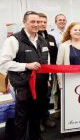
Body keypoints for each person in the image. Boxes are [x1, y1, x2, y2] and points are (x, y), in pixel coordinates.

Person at [0, 11, 49, 140]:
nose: (36, 24)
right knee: (21, 119)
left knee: (36, 117)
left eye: (38, 22)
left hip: (40, 85)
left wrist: (47, 79)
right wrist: (26, 65)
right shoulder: (13, 40)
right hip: (23, 86)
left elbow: (45, 62)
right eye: (32, 22)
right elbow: (4, 63)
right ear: (24, 22)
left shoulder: (42, 40)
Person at [37, 13, 57, 131]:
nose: (42, 24)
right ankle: (38, 121)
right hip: (38, 74)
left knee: (46, 97)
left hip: (50, 73)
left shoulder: (50, 38)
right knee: (38, 98)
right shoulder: (34, 38)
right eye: (39, 22)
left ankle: (45, 118)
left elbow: (53, 55)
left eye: (44, 22)